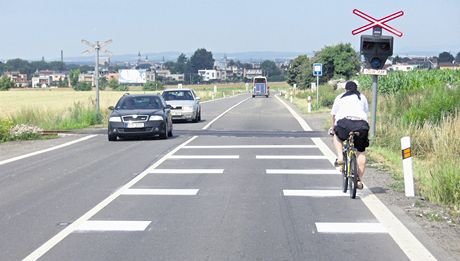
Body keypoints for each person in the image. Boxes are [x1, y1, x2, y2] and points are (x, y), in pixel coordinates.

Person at [330, 81, 370, 189]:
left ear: (346, 89)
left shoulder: (340, 97)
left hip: (344, 124)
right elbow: (366, 114)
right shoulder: (362, 97)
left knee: (337, 136)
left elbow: (334, 116)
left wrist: (333, 128)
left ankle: (340, 157)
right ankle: (359, 180)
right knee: (361, 152)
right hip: (361, 125)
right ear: (356, 88)